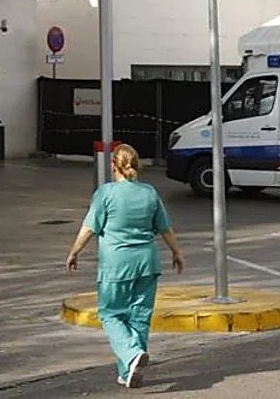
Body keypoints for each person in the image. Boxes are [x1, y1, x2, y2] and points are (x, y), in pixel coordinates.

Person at [65, 144, 184, 389]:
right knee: (139, 317)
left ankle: (131, 355)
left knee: (110, 314)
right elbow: (164, 228)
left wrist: (74, 251)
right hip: (147, 264)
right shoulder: (149, 192)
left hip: (116, 265)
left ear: (113, 166)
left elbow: (89, 227)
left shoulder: (105, 193)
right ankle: (127, 371)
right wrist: (176, 252)